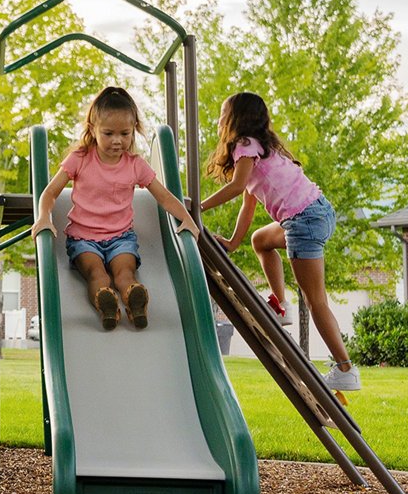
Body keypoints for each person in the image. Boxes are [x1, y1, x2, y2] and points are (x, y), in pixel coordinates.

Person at [201, 91, 360, 392]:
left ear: (237, 119)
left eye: (223, 114)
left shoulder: (244, 146)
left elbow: (236, 188)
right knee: (261, 239)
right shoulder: (259, 150)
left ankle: (345, 369)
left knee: (316, 301)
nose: (219, 120)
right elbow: (247, 203)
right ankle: (282, 305)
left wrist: (199, 207)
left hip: (303, 221)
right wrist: (234, 242)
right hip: (318, 210)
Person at [31, 85, 199, 330]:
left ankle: (133, 299)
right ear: (93, 129)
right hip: (83, 239)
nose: (117, 140)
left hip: (121, 238)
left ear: (133, 131)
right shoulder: (80, 158)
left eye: (125, 133)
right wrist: (44, 216)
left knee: (125, 274)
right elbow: (50, 192)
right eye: (108, 133)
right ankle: (106, 304)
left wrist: (187, 218)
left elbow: (164, 196)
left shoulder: (135, 165)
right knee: (97, 274)